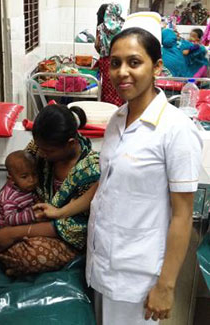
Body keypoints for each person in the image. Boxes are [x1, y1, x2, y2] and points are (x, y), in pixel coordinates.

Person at [39, 12, 203, 325]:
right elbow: (107, 186)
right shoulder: (116, 120)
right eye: (115, 63)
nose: (122, 72)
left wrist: (166, 286)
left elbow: (183, 216)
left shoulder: (176, 129)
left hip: (139, 276)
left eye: (134, 62)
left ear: (156, 67)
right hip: (103, 265)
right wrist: (58, 212)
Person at [0, 104, 100, 276]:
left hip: (60, 237)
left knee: (34, 256)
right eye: (39, 147)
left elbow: (77, 227)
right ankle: (3, 251)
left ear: (71, 143)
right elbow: (15, 180)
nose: (41, 153)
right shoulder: (38, 148)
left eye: (48, 151)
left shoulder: (91, 170)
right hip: (21, 216)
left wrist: (15, 233)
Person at [94, 3, 125, 106]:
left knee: (107, 87)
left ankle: (107, 109)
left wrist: (104, 51)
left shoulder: (101, 27)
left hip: (106, 61)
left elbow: (97, 45)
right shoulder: (123, 25)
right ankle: (120, 109)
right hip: (121, 60)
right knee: (120, 85)